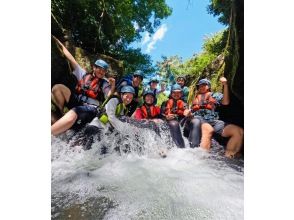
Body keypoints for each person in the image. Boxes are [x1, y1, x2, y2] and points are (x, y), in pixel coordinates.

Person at [51, 37, 115, 136]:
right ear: (94, 68)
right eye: (99, 69)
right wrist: (58, 42)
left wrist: (113, 85)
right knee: (58, 88)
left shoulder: (104, 83)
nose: (101, 72)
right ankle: (61, 113)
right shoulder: (83, 74)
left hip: (91, 108)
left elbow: (109, 94)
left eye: (104, 70)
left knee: (74, 113)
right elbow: (70, 58)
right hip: (77, 101)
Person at [191, 77, 243, 158]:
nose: (201, 87)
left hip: (215, 121)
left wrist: (225, 85)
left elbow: (225, 102)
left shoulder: (215, 95)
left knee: (238, 131)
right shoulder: (196, 97)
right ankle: (201, 160)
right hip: (200, 119)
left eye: (204, 85)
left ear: (208, 86)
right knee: (208, 129)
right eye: (199, 86)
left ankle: (229, 156)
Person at [163, 84, 192, 148]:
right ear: (171, 93)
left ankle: (188, 146)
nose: (176, 94)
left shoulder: (184, 103)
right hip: (170, 122)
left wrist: (189, 114)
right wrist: (165, 117)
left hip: (181, 122)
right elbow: (161, 114)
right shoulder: (165, 103)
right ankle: (180, 148)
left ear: (181, 94)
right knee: (174, 123)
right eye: (174, 92)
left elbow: (186, 112)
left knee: (191, 122)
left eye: (178, 92)